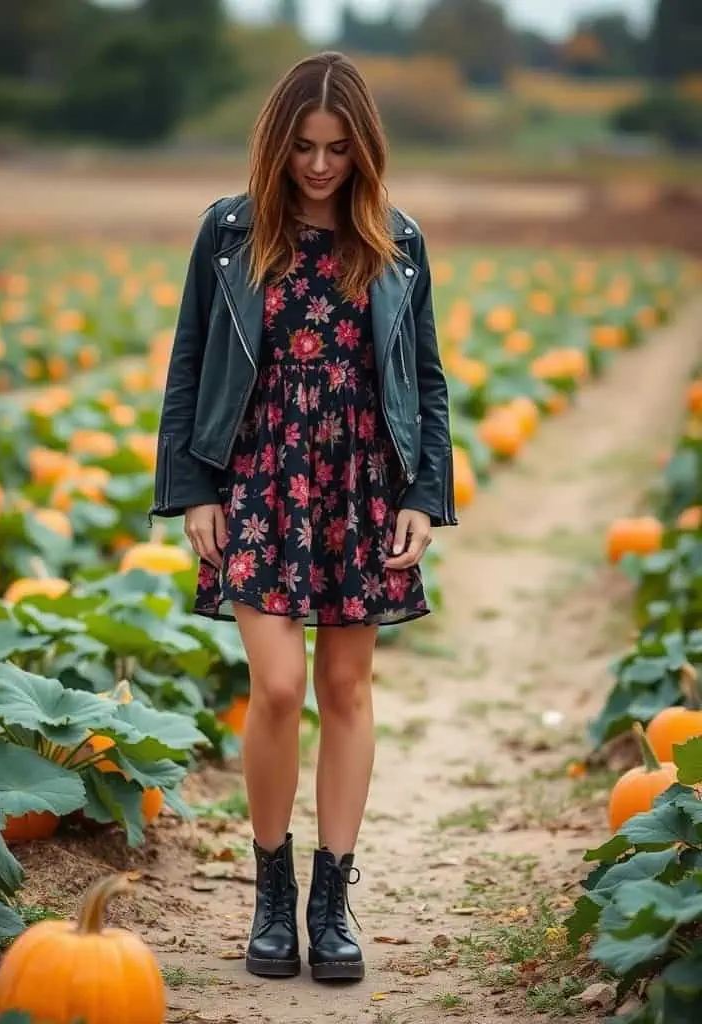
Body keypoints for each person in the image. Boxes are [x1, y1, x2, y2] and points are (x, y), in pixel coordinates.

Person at [149, 51, 457, 984]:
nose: (319, 167)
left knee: (349, 691)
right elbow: (190, 365)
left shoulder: (397, 241)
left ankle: (331, 901)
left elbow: (428, 383)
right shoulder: (232, 233)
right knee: (279, 687)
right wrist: (193, 488)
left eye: (336, 149)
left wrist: (421, 496)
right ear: (275, 144)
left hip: (360, 482)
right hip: (258, 476)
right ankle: (270, 891)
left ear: (363, 149)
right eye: (302, 148)